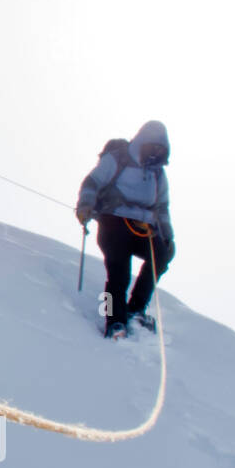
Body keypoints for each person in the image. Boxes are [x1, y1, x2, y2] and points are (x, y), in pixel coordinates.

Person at [75, 120, 176, 339]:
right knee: (118, 275)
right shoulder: (117, 158)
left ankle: (135, 309)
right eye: (154, 146)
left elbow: (162, 207)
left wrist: (166, 235)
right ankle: (114, 321)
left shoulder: (158, 174)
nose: (156, 153)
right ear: (143, 142)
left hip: (143, 230)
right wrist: (85, 206)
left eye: (161, 149)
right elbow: (93, 182)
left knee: (163, 254)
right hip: (114, 224)